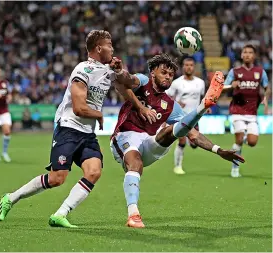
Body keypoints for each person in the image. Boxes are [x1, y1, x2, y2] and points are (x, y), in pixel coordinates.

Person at [0, 30, 156, 228]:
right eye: (109, 45)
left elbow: (127, 87)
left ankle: (60, 214)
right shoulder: (83, 70)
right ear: (98, 48)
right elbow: (79, 109)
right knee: (57, 178)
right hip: (68, 128)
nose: (112, 49)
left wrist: (138, 103)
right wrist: (98, 115)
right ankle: (11, 198)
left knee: (94, 171)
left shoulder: (108, 71)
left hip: (87, 134)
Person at [110, 54, 245, 228]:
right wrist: (120, 70)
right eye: (163, 72)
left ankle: (203, 105)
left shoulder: (171, 105)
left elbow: (193, 134)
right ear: (152, 73)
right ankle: (133, 214)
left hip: (149, 141)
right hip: (125, 136)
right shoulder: (143, 82)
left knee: (170, 131)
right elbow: (126, 79)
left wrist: (218, 150)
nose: (167, 76)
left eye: (170, 74)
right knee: (135, 163)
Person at [223, 44, 270, 178]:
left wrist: (266, 99)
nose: (247, 54)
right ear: (242, 55)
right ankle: (235, 169)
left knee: (252, 142)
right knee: (238, 140)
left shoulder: (260, 72)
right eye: (245, 52)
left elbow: (267, 87)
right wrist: (231, 86)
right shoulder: (235, 72)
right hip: (237, 111)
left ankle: (242, 140)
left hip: (252, 113)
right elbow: (223, 87)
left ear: (254, 55)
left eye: (250, 52)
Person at [166, 57, 210, 175]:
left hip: (195, 117)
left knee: (195, 144)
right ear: (182, 67)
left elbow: (202, 98)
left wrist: (206, 107)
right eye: (186, 65)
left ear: (194, 67)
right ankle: (177, 166)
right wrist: (176, 103)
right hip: (180, 117)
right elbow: (166, 97)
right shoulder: (176, 83)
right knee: (182, 141)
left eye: (191, 65)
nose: (188, 67)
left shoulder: (200, 83)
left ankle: (181, 159)